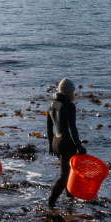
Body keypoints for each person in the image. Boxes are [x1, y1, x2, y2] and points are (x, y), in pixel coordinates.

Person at [46, 77, 86, 207]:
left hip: (56, 143)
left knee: (69, 174)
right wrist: (79, 146)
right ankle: (51, 203)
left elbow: (49, 127)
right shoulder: (69, 106)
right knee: (64, 177)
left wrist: (50, 144)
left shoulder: (52, 104)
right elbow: (72, 129)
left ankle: (70, 202)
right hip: (66, 144)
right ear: (70, 92)